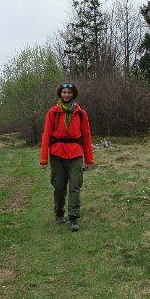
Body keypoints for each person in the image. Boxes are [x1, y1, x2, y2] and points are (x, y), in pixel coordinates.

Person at [40, 82, 94, 231]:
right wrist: (43, 159)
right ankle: (59, 212)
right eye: (64, 92)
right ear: (60, 94)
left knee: (75, 186)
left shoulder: (81, 113)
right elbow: (46, 135)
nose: (67, 95)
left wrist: (89, 159)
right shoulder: (53, 113)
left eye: (69, 92)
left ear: (73, 94)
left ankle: (73, 217)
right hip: (57, 154)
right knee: (59, 187)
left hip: (76, 154)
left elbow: (86, 136)